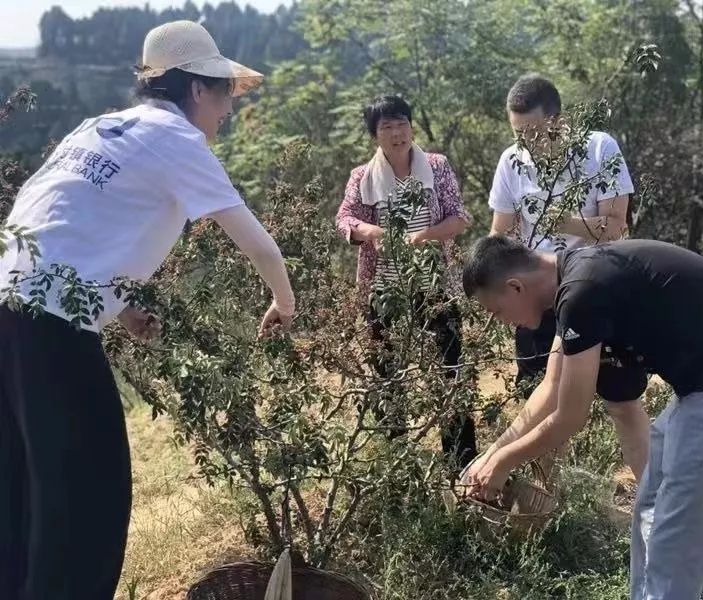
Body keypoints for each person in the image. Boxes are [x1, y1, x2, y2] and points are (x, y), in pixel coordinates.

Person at [0, 21, 295, 599]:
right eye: (225, 94)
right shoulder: (177, 139)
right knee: (88, 495)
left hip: (9, 311)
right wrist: (284, 302)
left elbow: (64, 222)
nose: (228, 111)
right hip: (53, 331)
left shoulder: (99, 128)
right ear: (196, 90)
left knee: (22, 495)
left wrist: (126, 305)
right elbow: (258, 243)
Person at [462, 235, 703, 600]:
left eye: (497, 312)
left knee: (674, 545)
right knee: (649, 510)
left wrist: (504, 461)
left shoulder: (582, 291)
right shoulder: (573, 275)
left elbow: (570, 416)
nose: (504, 323)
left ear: (515, 286)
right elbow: (552, 389)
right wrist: (490, 456)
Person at [488, 73, 649, 478]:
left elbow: (616, 227)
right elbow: (502, 233)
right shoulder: (511, 161)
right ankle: (542, 507)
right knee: (539, 399)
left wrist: (563, 221)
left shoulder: (598, 148)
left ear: (558, 121)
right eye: (518, 133)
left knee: (621, 401)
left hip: (598, 293)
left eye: (533, 132)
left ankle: (653, 497)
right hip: (538, 298)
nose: (526, 142)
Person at [336, 95, 476, 469]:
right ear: (375, 135)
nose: (396, 134)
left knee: (450, 370)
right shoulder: (362, 177)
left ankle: (460, 463)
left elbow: (459, 217)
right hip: (383, 292)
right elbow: (345, 220)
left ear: (412, 127)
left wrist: (424, 236)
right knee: (388, 377)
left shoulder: (436, 166)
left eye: (402, 124)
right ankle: (397, 464)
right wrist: (374, 232)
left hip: (434, 288)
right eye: (386, 127)